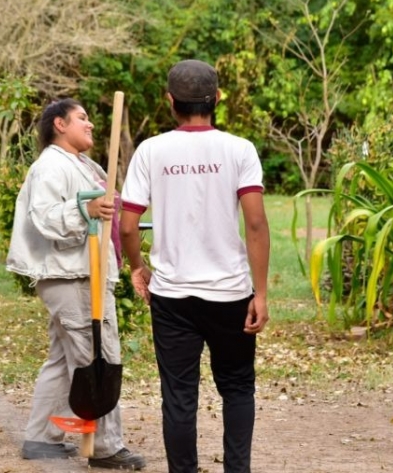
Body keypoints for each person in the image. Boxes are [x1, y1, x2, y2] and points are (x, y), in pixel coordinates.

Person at [118, 59, 270, 473]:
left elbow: (128, 225)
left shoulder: (151, 151)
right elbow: (255, 223)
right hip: (230, 295)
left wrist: (137, 267)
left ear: (170, 102)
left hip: (172, 295)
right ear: (217, 99)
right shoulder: (240, 150)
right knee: (237, 389)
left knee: (179, 397)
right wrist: (261, 292)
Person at [6, 98, 147, 471]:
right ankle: (104, 446)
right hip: (73, 275)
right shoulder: (52, 165)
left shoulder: (81, 164)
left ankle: (41, 437)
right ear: (59, 124)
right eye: (81, 118)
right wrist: (85, 210)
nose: (90, 125)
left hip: (80, 273)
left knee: (63, 358)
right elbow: (47, 217)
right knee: (98, 356)